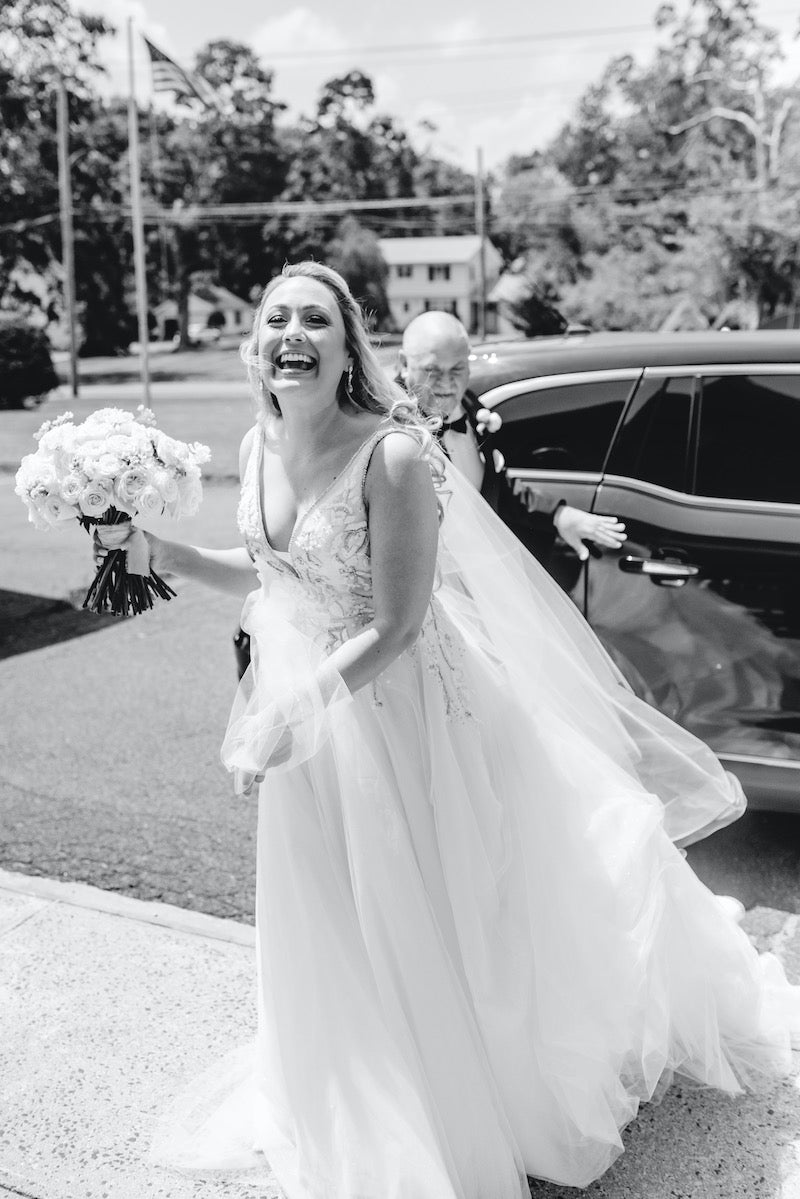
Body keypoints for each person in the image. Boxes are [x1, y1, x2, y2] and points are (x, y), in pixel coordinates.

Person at [97, 262, 799, 1198]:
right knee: (337, 909)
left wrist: (287, 714)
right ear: (255, 345)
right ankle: (352, 1084)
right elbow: (273, 571)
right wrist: (158, 552)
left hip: (403, 714)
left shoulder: (388, 456)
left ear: (349, 347)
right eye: (277, 319)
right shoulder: (259, 444)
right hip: (312, 715)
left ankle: (458, 1096)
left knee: (441, 906)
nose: (292, 332)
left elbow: (395, 624)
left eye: (317, 318)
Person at [396, 309, 627, 563]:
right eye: (433, 370)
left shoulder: (472, 408)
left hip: (477, 573)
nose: (447, 382)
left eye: (457, 369)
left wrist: (559, 515)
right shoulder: (389, 430)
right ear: (404, 365)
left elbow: (494, 488)